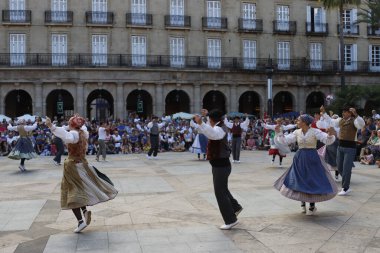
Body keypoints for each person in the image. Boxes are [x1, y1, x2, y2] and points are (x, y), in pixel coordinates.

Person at [45, 114, 118, 233]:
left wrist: (51, 126)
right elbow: (68, 129)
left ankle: (80, 221)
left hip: (72, 165)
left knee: (72, 193)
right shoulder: (84, 132)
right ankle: (84, 212)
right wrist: (58, 126)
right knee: (79, 190)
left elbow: (65, 135)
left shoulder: (73, 135)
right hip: (82, 164)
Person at [274, 114, 338, 215]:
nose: (297, 121)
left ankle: (312, 205)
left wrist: (330, 134)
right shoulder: (297, 132)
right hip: (300, 158)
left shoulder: (315, 131)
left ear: (304, 122)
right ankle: (303, 203)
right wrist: (279, 133)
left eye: (299, 120)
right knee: (300, 179)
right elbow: (285, 140)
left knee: (311, 180)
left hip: (312, 158)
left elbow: (326, 139)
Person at [194, 109, 242, 230]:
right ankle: (235, 207)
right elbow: (206, 130)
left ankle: (230, 220)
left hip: (221, 165)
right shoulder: (219, 126)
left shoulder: (220, 128)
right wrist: (204, 119)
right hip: (220, 164)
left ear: (212, 120)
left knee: (219, 192)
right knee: (223, 189)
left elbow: (213, 134)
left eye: (209, 119)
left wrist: (202, 122)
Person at [321, 106, 365, 196]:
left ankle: (345, 188)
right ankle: (346, 180)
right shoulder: (340, 120)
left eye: (345, 112)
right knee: (339, 167)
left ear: (350, 113)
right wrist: (324, 112)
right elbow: (330, 121)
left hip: (350, 147)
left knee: (346, 168)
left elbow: (361, 125)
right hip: (340, 147)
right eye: (343, 112)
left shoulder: (355, 121)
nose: (343, 113)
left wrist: (356, 114)